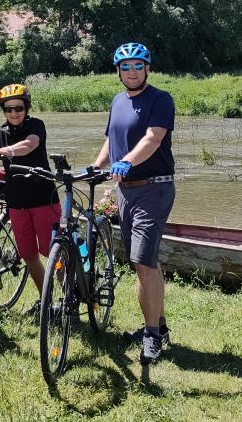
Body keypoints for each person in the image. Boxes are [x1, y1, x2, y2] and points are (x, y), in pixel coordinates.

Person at [90, 43, 176, 364]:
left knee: (142, 263)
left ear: (147, 68)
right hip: (126, 191)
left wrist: (125, 161)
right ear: (118, 72)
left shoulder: (160, 99)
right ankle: (160, 327)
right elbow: (110, 141)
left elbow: (153, 138)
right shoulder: (117, 101)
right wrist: (95, 167)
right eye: (125, 67)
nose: (131, 71)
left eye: (137, 65)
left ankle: (151, 335)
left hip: (154, 189)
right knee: (147, 261)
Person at [0, 83, 60, 315]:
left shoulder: (36, 125)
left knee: (53, 252)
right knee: (29, 255)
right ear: (3, 110)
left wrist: (4, 151)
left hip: (43, 199)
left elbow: (28, 145)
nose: (13, 113)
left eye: (18, 108)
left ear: (26, 107)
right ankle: (47, 302)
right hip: (16, 203)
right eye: (8, 109)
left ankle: (70, 296)